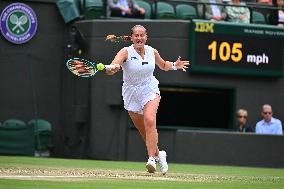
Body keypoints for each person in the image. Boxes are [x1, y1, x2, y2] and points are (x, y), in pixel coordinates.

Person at [104, 25, 189, 174]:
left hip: (150, 89)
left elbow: (163, 65)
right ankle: (159, 154)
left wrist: (175, 65)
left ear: (146, 37)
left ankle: (151, 159)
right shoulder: (125, 52)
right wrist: (112, 68)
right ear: (131, 38)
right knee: (144, 133)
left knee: (149, 120)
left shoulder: (152, 51)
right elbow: (115, 65)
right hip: (131, 93)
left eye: (142, 35)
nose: (139, 38)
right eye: (136, 35)